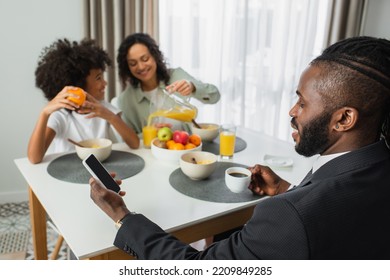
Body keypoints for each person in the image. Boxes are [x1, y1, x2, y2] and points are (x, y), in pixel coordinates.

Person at [90, 36, 390, 259]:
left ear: (345, 118)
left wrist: (122, 216)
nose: (291, 111)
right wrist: (287, 189)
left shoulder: (286, 215)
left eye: (302, 102)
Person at [28, 38, 140, 164]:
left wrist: (108, 115)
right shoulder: (61, 116)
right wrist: (44, 113)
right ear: (79, 85)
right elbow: (34, 158)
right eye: (98, 78)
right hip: (66, 173)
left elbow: (135, 144)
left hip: (99, 172)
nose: (105, 83)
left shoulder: (104, 108)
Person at [116, 33, 220, 134]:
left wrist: (193, 87)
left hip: (187, 146)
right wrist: (149, 133)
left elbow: (215, 96)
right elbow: (130, 140)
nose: (141, 67)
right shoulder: (125, 100)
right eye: (133, 63)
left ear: (155, 56)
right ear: (127, 67)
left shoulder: (176, 76)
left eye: (145, 59)